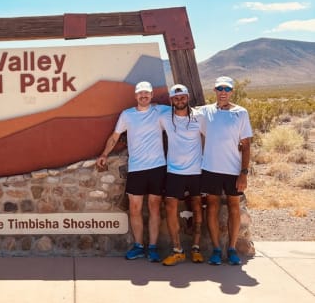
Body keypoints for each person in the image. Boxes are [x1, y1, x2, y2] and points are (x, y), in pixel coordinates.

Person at [96, 81, 167, 262]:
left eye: (147, 93)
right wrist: (104, 154)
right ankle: (138, 246)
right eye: (140, 93)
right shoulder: (127, 115)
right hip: (136, 168)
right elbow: (114, 137)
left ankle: (152, 247)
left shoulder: (161, 111)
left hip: (157, 168)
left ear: (151, 96)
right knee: (135, 209)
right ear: (136, 96)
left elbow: (183, 115)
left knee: (154, 208)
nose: (143, 96)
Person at [198, 76, 253, 265]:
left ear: (231, 92)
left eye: (227, 89)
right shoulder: (205, 112)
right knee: (211, 207)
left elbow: (246, 145)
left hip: (233, 170)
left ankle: (231, 248)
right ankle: (215, 249)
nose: (223, 92)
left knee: (234, 208)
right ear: (214, 90)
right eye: (220, 88)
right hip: (210, 168)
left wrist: (243, 172)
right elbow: (182, 115)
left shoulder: (241, 113)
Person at [159, 84, 205, 265]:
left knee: (197, 206)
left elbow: (211, 136)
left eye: (183, 97)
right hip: (174, 171)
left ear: (188, 97)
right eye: (176, 98)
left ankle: (196, 248)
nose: (180, 100)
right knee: (170, 206)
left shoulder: (199, 117)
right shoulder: (164, 117)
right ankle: (177, 249)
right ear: (171, 100)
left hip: (196, 170)